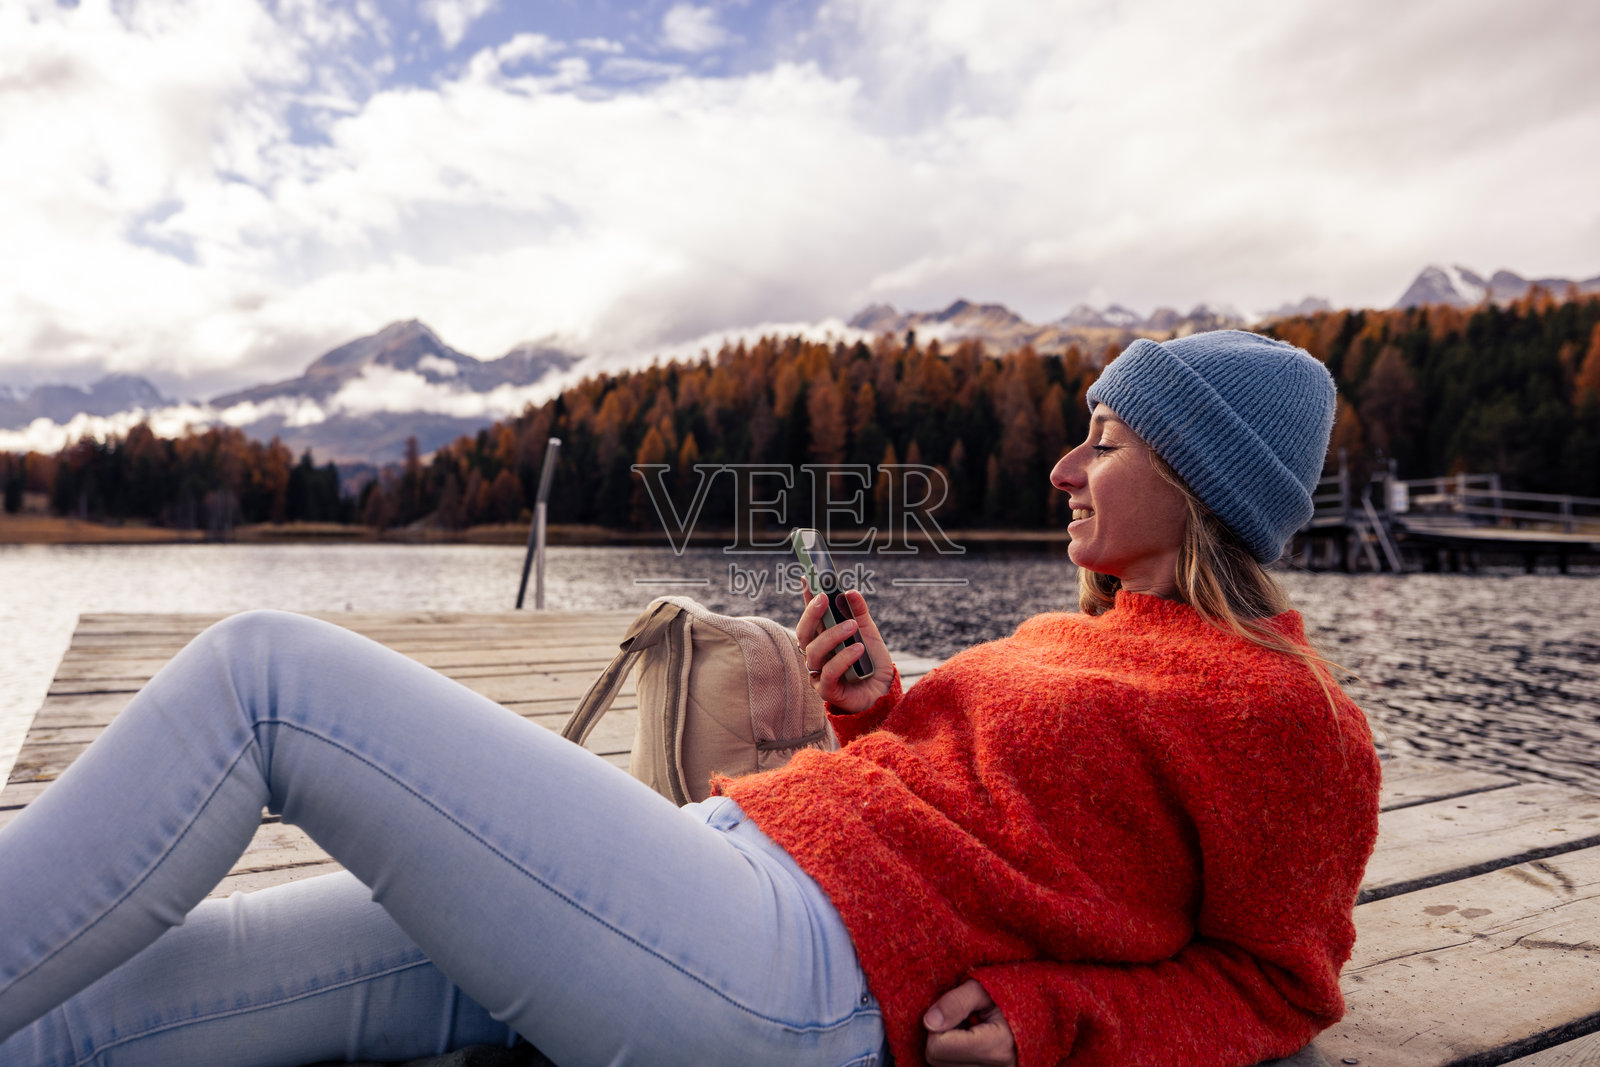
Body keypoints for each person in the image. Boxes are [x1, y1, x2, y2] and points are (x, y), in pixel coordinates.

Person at [0, 329, 1380, 1067]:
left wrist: (1057, 1027)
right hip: (708, 882)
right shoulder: (1082, 633)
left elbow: (1279, 984)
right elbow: (1009, 830)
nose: (1066, 472)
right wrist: (878, 717)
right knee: (97, 1016)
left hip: (791, 974)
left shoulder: (1287, 720)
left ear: (1200, 482)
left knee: (267, 681)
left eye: (1105, 440)